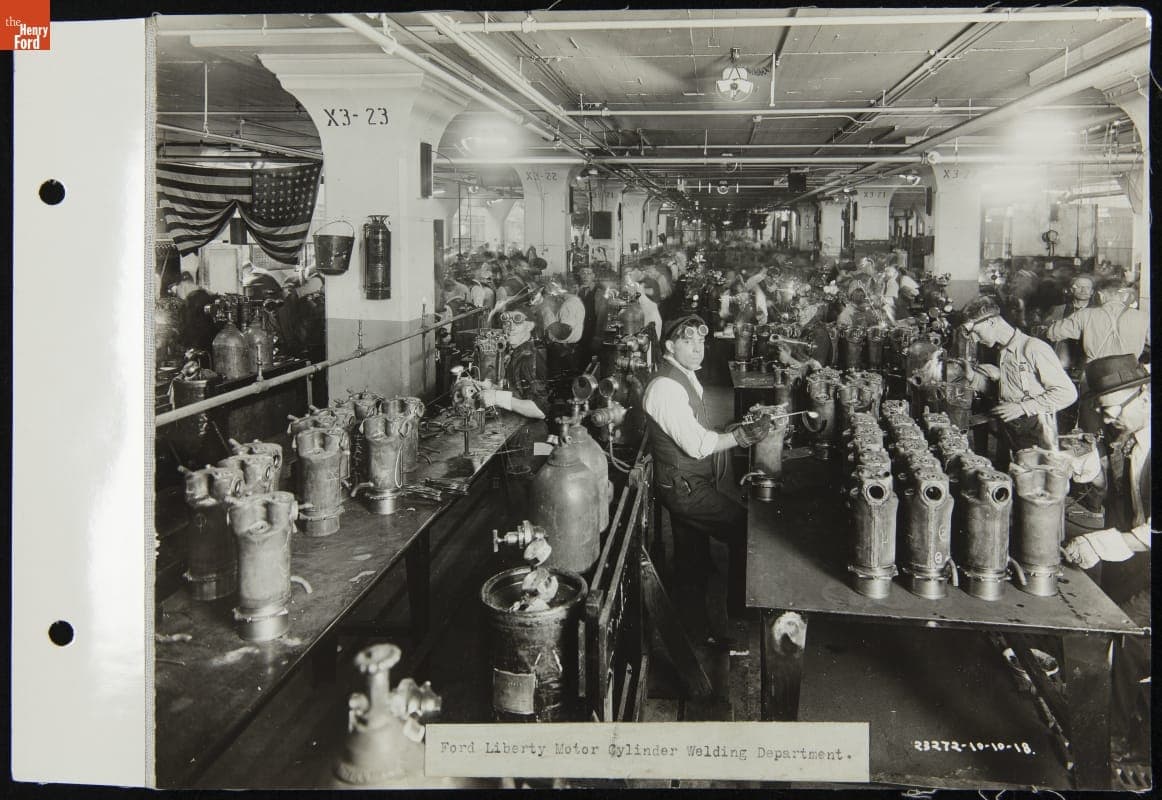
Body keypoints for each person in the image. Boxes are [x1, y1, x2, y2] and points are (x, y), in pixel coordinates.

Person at [642, 315, 772, 646]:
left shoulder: (687, 377)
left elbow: (701, 430)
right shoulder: (666, 387)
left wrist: (734, 428)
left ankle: (695, 631)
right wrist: (742, 436)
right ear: (670, 346)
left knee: (692, 559)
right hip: (685, 486)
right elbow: (698, 445)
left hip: (688, 479)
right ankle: (740, 615)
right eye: (689, 343)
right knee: (744, 530)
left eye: (701, 343)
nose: (698, 349)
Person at [1061, 354, 1150, 774]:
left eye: (1111, 406)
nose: (1105, 415)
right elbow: (1117, 493)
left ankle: (1126, 750)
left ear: (1145, 394)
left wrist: (1101, 543)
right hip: (1133, 560)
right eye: (1099, 408)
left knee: (1128, 642)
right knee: (1102, 625)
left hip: (1145, 556)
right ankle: (1100, 724)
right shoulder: (1125, 436)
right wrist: (1085, 471)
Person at [959, 295, 1077, 458]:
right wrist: (973, 377)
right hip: (1012, 429)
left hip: (1036, 432)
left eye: (976, 332)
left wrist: (1022, 408)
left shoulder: (1033, 348)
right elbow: (1010, 391)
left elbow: (1067, 394)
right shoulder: (1004, 352)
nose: (975, 339)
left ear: (991, 322)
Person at [479, 305, 549, 420]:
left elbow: (540, 410)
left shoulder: (530, 358)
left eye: (518, 321)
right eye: (506, 321)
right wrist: (492, 387)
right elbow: (519, 393)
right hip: (518, 422)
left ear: (530, 326)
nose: (510, 327)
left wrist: (496, 398)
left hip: (531, 430)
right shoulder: (516, 352)